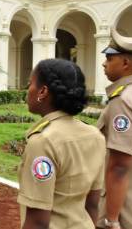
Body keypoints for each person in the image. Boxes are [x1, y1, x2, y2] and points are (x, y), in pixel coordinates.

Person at [18, 58, 106, 229]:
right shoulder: (95, 136)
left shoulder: (43, 142)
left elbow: (38, 221)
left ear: (42, 91)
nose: (27, 90)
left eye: (30, 84)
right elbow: (93, 205)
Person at [96, 28, 132, 229]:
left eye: (110, 58)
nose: (104, 63)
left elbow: (119, 166)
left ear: (126, 63)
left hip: (127, 211)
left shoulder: (124, 101)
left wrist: (110, 220)